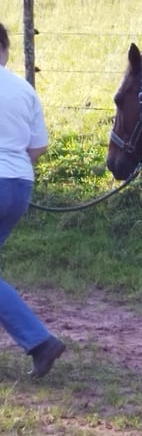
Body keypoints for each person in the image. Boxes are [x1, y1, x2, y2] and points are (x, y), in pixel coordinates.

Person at [0, 22, 65, 378]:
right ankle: (38, 341)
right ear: (5, 48)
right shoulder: (23, 89)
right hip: (18, 185)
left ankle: (40, 341)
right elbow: (37, 146)